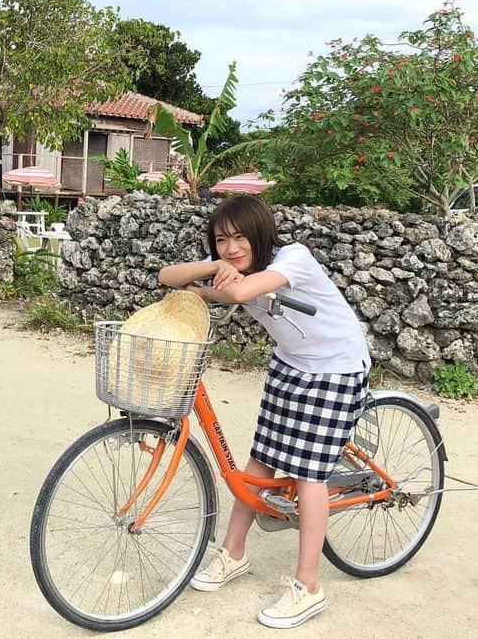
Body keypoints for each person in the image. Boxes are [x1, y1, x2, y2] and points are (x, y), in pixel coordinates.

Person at [157, 195, 370, 630]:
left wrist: (224, 278)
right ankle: (233, 553)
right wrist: (209, 268)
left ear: (260, 234)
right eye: (221, 240)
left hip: (336, 366)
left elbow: (239, 292)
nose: (232, 247)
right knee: (262, 459)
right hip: (291, 365)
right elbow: (168, 277)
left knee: (310, 473)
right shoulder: (232, 264)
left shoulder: (294, 259)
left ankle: (308, 586)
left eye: (239, 237)